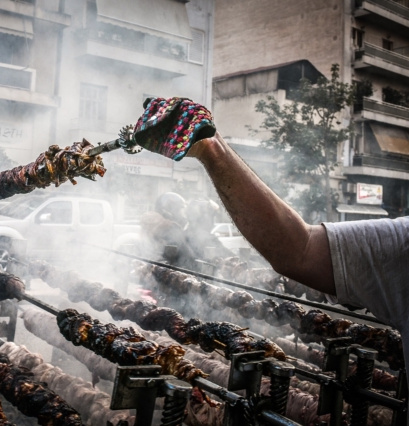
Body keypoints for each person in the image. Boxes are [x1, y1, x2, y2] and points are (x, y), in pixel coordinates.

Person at [136, 98, 409, 392]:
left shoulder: (192, 229)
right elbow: (299, 249)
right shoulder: (402, 242)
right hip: (174, 293)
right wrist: (212, 148)